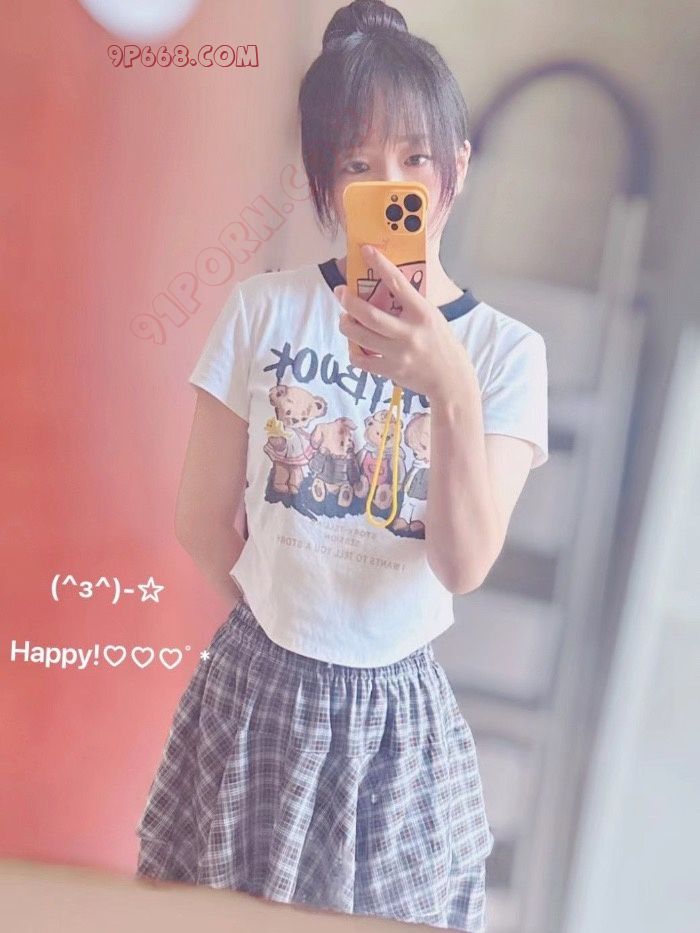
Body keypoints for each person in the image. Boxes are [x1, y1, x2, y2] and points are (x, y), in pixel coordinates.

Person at [134, 2, 549, 931]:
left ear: (458, 165)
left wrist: (450, 385)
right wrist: (287, 621)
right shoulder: (264, 310)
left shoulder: (505, 357)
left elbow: (463, 565)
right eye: (357, 165)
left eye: (415, 157)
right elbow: (202, 520)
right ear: (323, 179)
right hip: (252, 689)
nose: (390, 184)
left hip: (395, 724)